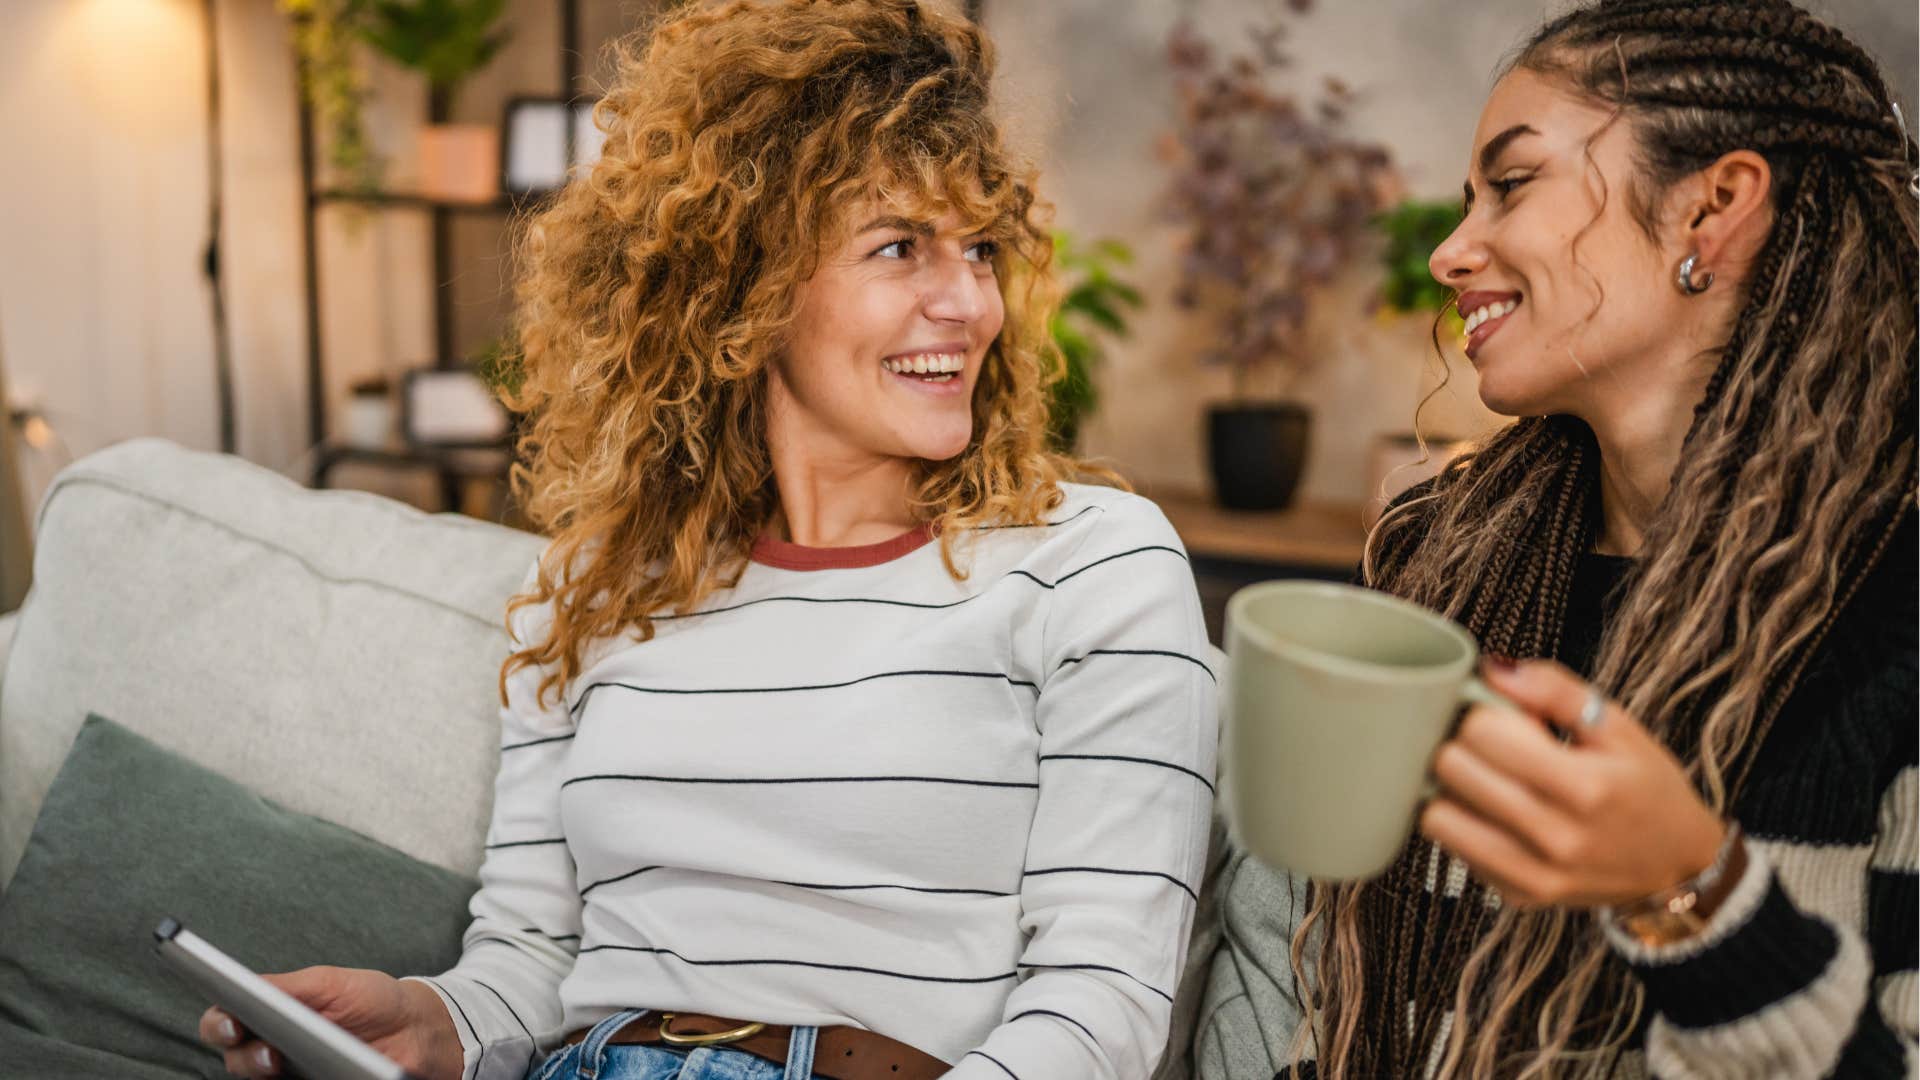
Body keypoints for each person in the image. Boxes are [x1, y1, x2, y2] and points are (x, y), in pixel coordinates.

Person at [200, 2, 1217, 1078]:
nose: (968, 300)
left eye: (977, 248)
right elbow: (534, 956)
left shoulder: (1094, 565)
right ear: (747, 282)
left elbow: (1099, 1003)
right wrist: (427, 1023)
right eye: (899, 247)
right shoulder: (594, 583)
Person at [1186, 0, 1917, 1076]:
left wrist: (1693, 898)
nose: (1449, 253)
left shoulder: (1895, 618)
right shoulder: (1440, 558)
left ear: (1712, 210)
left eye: (1512, 185)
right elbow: (1289, 972)